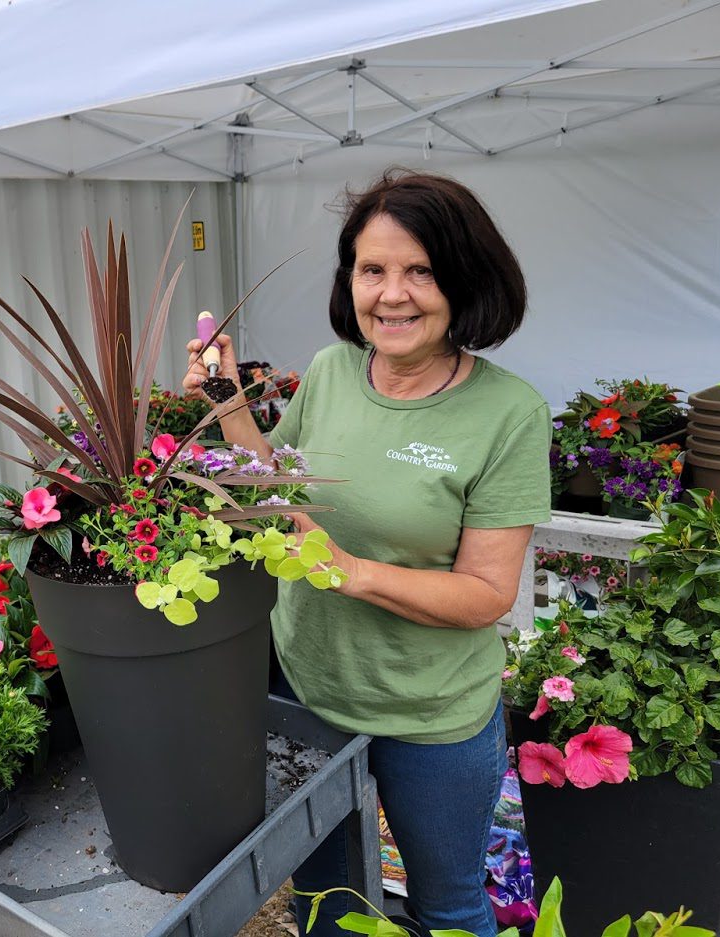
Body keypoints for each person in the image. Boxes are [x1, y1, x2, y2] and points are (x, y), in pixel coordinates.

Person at [184, 170, 550, 936]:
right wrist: (226, 404)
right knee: (328, 898)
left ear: (464, 277)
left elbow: (485, 594)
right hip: (312, 693)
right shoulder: (329, 370)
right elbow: (272, 491)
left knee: (447, 906)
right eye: (372, 269)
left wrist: (347, 569)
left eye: (420, 269)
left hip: (431, 716)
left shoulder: (508, 412)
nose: (392, 293)